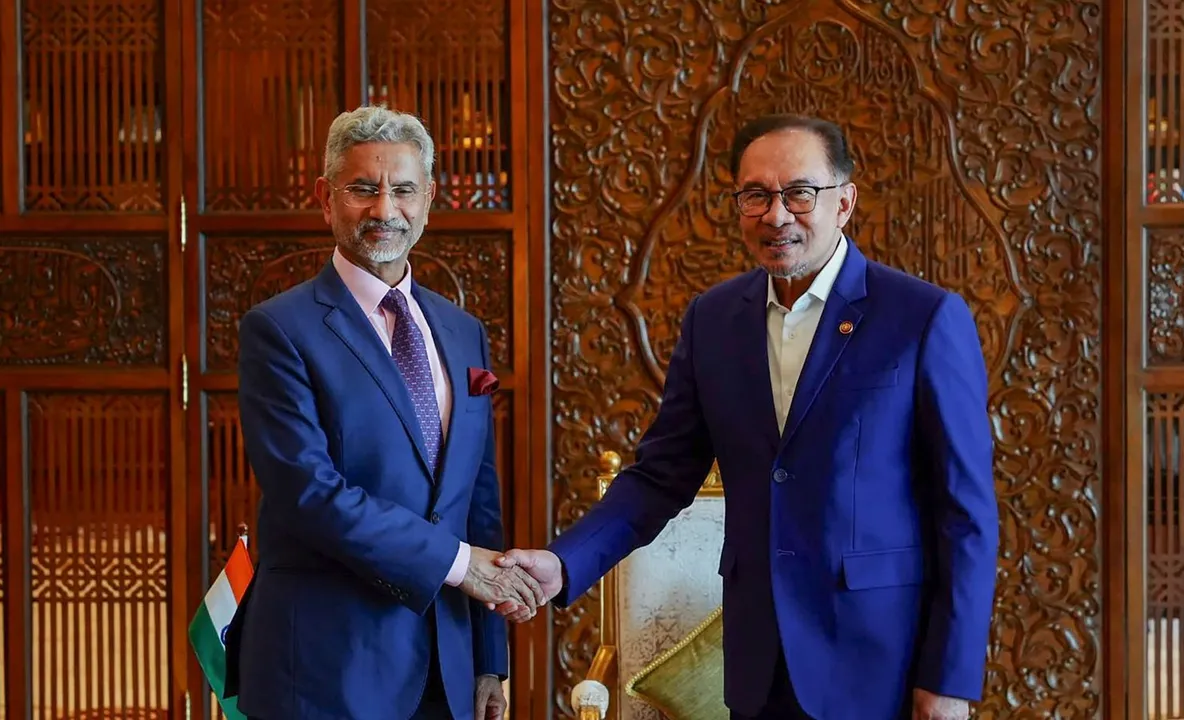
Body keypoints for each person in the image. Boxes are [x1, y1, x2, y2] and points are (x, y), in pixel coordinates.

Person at [499, 114, 999, 720]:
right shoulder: (713, 320)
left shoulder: (922, 318)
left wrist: (948, 681)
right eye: (756, 195)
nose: (777, 214)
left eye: (799, 193)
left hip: (880, 665)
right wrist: (562, 562)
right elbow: (661, 475)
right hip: (758, 662)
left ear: (844, 202)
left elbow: (965, 516)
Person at [222, 105, 544, 720]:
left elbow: (478, 503)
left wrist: (488, 660)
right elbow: (309, 493)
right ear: (325, 197)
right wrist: (456, 565)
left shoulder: (463, 331)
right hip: (326, 667)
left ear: (428, 198)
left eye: (402, 190)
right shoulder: (279, 329)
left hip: (445, 671)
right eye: (363, 189)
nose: (383, 210)